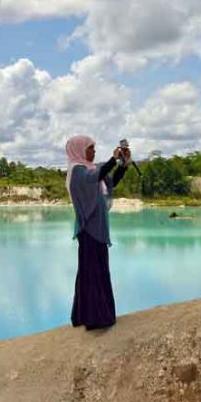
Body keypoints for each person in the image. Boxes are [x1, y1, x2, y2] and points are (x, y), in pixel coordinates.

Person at [66, 135, 129, 330]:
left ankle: (86, 314)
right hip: (89, 229)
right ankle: (96, 318)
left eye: (94, 148)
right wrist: (112, 159)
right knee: (93, 271)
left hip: (97, 228)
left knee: (94, 270)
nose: (94, 152)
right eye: (90, 148)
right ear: (79, 149)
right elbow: (95, 177)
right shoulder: (77, 171)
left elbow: (110, 182)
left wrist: (123, 164)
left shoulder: (89, 168)